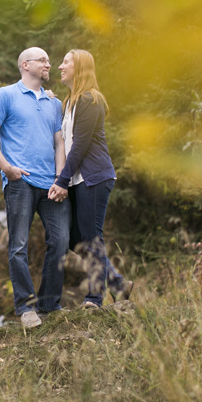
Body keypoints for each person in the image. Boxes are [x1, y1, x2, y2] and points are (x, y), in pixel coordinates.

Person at [0, 46, 70, 328]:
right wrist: (7, 168)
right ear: (25, 65)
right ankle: (26, 308)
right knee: (18, 247)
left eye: (48, 60)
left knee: (61, 242)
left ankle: (49, 304)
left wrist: (60, 178)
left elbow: (59, 143)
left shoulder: (54, 103)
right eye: (42, 60)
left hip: (51, 185)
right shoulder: (5, 95)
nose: (48, 64)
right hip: (20, 183)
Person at [48, 49, 128, 308]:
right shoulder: (69, 102)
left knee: (92, 238)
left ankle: (95, 297)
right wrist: (50, 99)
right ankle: (117, 283)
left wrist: (61, 181)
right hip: (77, 180)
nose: (60, 66)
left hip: (93, 177)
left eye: (66, 62)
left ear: (80, 68)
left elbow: (80, 145)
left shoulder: (90, 99)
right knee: (74, 238)